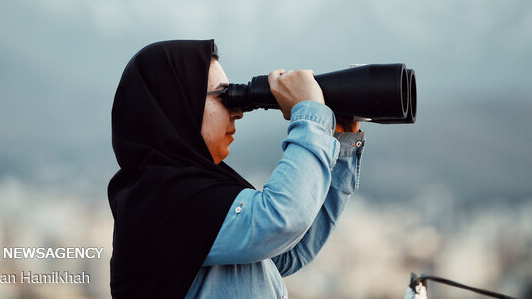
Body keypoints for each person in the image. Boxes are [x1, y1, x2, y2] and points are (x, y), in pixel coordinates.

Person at [108, 39, 365, 299]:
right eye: (223, 97)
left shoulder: (200, 193)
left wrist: (338, 138)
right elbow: (281, 219)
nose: (237, 112)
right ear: (178, 104)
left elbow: (285, 252)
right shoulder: (156, 201)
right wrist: (311, 113)